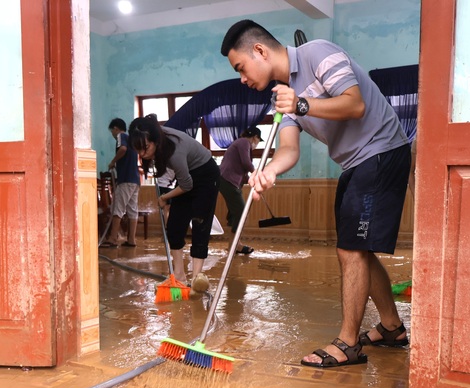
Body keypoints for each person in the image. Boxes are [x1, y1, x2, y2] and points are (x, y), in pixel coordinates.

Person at [221, 20, 412, 368]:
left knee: (351, 249)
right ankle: (391, 327)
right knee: (358, 249)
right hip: (355, 163)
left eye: (241, 68)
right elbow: (289, 149)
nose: (243, 79)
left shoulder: (318, 53)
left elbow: (355, 105)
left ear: (260, 51)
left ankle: (349, 344)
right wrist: (270, 171)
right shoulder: (282, 96)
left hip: (382, 151)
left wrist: (303, 104)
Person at [128, 115, 220, 292]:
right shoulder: (158, 144)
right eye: (138, 150)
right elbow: (180, 180)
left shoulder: (174, 151)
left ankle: (196, 279)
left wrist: (164, 198)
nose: (142, 154)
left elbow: (187, 185)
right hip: (187, 176)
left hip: (206, 175)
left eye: (145, 148)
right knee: (175, 225)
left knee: (200, 223)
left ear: (155, 140)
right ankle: (178, 275)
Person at [219, 126, 262, 254]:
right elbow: (245, 162)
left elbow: (241, 168)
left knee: (236, 213)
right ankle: (235, 245)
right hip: (227, 180)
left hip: (227, 181)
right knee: (241, 213)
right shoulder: (244, 142)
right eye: (258, 140)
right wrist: (256, 173)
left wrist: (250, 179)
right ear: (255, 137)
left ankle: (234, 245)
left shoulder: (240, 143)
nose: (257, 143)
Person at [101, 118, 140, 248]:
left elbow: (122, 149)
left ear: (116, 128)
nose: (112, 134)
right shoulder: (131, 139)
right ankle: (131, 240)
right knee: (132, 210)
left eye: (112, 130)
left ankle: (112, 239)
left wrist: (113, 162)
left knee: (117, 208)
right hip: (135, 180)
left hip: (126, 180)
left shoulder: (121, 136)